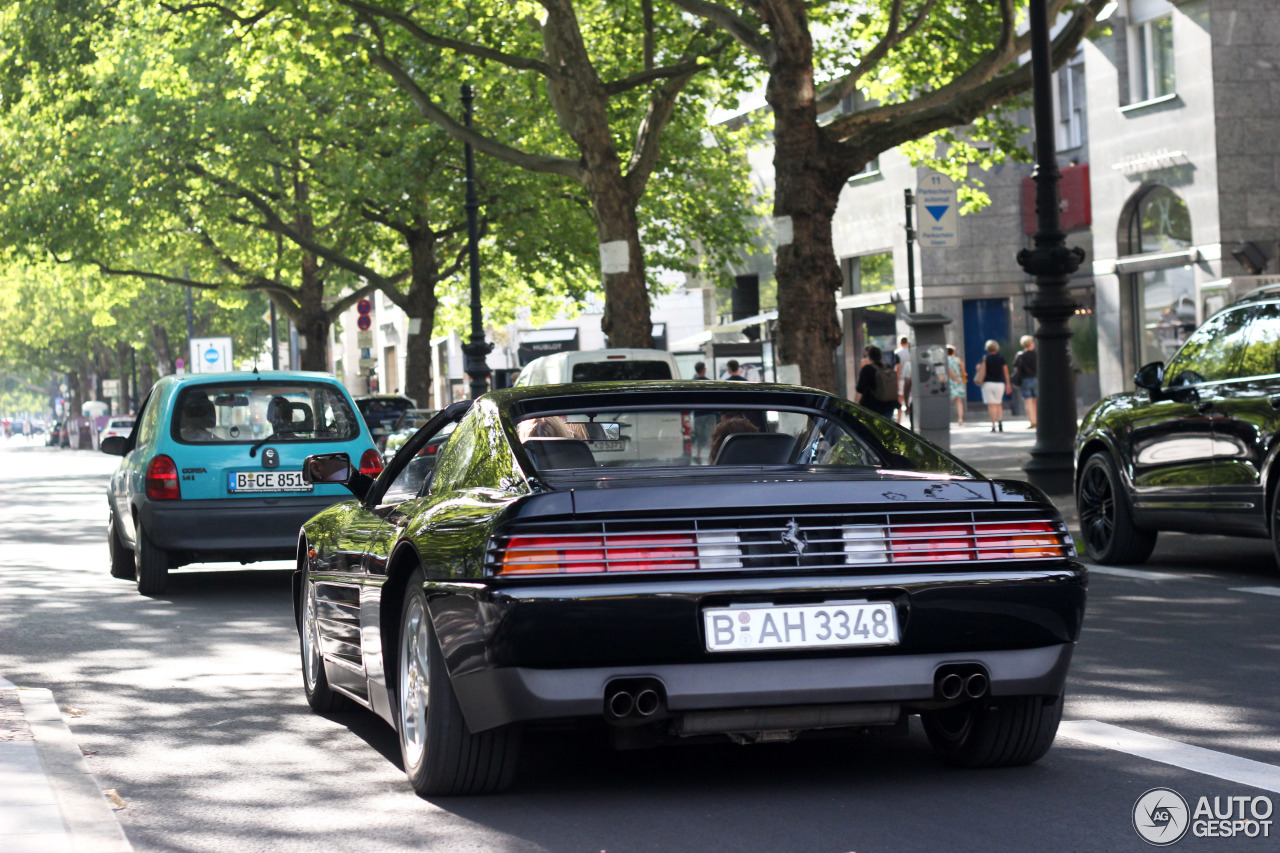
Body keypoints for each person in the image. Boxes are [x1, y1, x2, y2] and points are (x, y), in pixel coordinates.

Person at [854, 345, 900, 419]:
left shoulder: (867, 369)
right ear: (881, 356)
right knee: (886, 428)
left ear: (869, 356)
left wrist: (855, 406)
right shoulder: (888, 367)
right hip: (889, 404)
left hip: (872, 406)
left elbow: (860, 389)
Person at [978, 339, 1011, 432]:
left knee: (991, 405)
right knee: (998, 404)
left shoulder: (985, 358)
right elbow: (1006, 372)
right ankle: (1000, 421)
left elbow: (978, 368)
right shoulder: (1001, 358)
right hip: (999, 384)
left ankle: (993, 425)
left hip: (988, 383)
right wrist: (1008, 384)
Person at [691, 361, 715, 463]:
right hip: (709, 412)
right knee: (711, 434)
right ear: (704, 370)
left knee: (699, 435)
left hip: (698, 413)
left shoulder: (693, 383)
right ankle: (712, 456)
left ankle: (698, 454)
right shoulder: (709, 382)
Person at [1013, 335, 1038, 429]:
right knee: (1036, 401)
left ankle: (1032, 421)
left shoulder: (1021, 355)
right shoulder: (1037, 355)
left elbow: (1015, 367)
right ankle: (1038, 420)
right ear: (1031, 343)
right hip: (1036, 379)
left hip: (1025, 379)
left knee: (1028, 401)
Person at [946, 345, 967, 426]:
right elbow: (963, 370)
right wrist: (959, 379)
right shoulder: (958, 360)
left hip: (950, 381)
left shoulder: (946, 360)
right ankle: (960, 418)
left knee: (947, 401)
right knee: (959, 401)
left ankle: (947, 418)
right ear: (953, 352)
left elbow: (949, 371)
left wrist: (954, 378)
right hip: (959, 381)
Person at [893, 336, 911, 424]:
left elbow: (898, 368)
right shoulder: (911, 352)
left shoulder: (897, 352)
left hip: (901, 379)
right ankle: (911, 419)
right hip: (911, 378)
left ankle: (899, 421)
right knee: (911, 399)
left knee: (900, 400)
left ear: (900, 343)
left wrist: (896, 381)